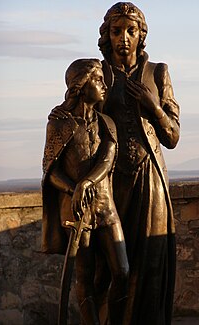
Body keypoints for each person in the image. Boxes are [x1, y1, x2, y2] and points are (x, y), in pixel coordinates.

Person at [97, 2, 180, 325]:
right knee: (111, 265)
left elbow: (172, 136)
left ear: (141, 34)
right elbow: (82, 119)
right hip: (112, 181)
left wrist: (153, 105)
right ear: (107, 35)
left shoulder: (157, 72)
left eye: (131, 31)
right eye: (117, 31)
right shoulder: (99, 73)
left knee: (150, 264)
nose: (124, 38)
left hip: (150, 179)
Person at [42, 58, 129, 325]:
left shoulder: (106, 123)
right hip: (76, 210)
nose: (103, 85)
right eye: (98, 80)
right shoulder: (59, 124)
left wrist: (86, 183)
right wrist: (73, 188)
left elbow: (107, 157)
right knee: (85, 276)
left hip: (105, 206)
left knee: (122, 272)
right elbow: (50, 171)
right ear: (81, 85)